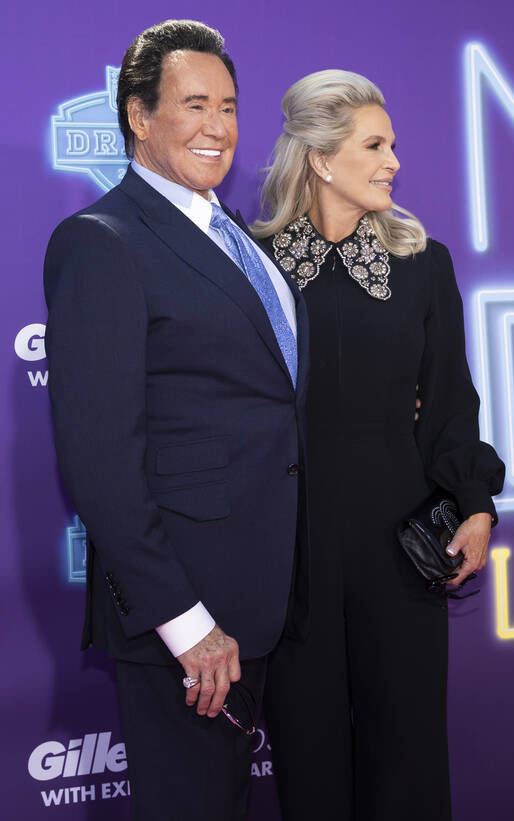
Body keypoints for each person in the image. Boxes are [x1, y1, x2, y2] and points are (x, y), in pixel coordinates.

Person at [42, 20, 307, 821]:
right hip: (191, 624)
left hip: (271, 601)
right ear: (137, 114)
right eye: (194, 104)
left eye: (228, 105)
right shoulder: (102, 242)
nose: (218, 126)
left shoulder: (246, 243)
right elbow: (99, 459)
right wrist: (187, 626)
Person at [252, 70, 504, 820]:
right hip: (291, 548)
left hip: (400, 542)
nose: (394, 159)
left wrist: (477, 504)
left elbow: (451, 404)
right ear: (321, 158)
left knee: (409, 755)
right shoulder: (252, 267)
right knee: (308, 755)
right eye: (375, 144)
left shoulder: (425, 263)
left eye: (392, 143)